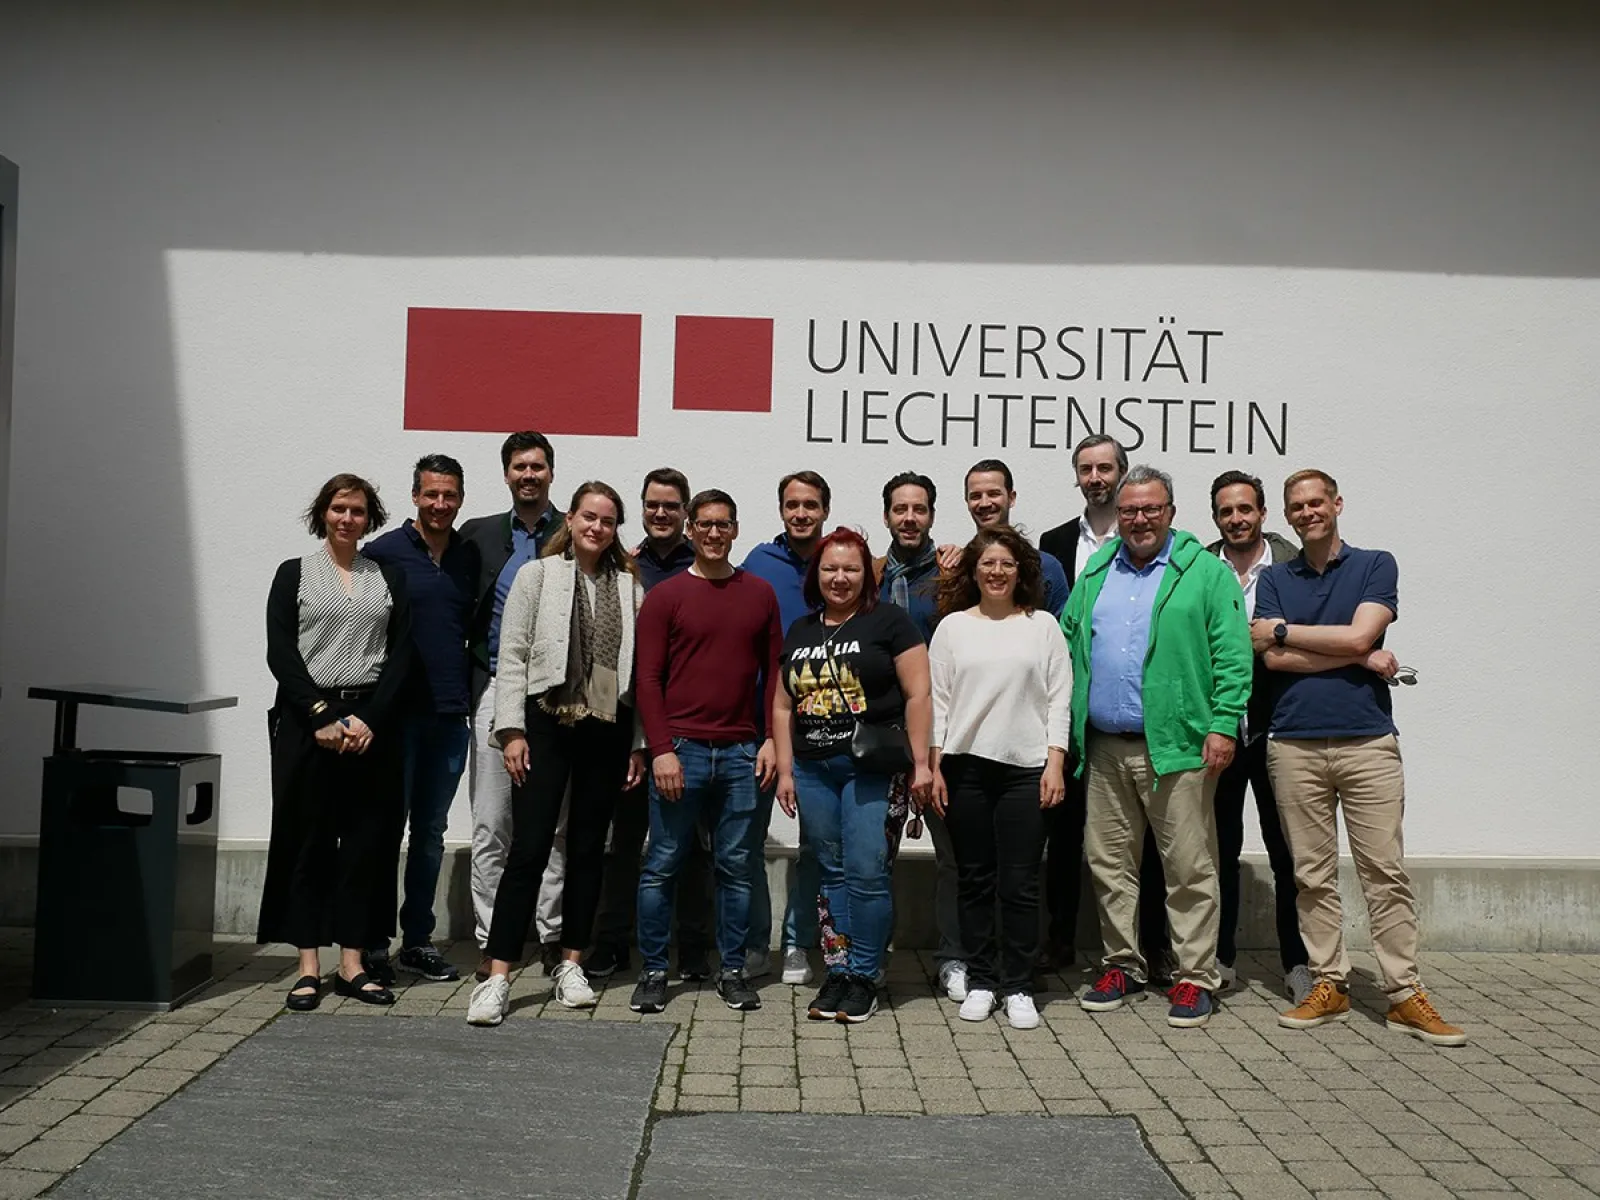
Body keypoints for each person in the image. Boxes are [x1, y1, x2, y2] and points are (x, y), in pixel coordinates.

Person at [1254, 470, 1466, 1046]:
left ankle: (1403, 993)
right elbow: (1272, 660)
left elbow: (1351, 636)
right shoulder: (1274, 576)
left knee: (1384, 872)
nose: (1306, 513)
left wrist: (1291, 634)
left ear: (1336, 504)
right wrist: (1357, 654)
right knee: (1311, 875)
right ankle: (1329, 982)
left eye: (1315, 502)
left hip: (1366, 740)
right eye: (1296, 507)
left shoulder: (1376, 564)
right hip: (1293, 741)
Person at [1064, 465, 1251, 1029]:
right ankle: (1122, 963)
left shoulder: (1204, 574)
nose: (1139, 519)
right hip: (1103, 747)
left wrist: (1222, 725)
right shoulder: (1098, 569)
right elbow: (1071, 643)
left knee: (1189, 867)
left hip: (1178, 746)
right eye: (1129, 511)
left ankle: (1196, 977)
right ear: (1116, 516)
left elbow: (1233, 656)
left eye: (1151, 509)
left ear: (1171, 512)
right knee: (1109, 862)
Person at [465, 482, 648, 1025]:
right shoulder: (537, 577)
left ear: (616, 529)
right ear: (570, 519)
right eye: (588, 516)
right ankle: (498, 975)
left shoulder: (630, 588)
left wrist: (638, 745)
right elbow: (513, 655)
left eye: (608, 520)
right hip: (546, 722)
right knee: (529, 848)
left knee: (590, 849)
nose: (596, 527)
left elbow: (638, 677)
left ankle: (571, 962)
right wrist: (511, 730)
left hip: (607, 727)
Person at [260, 473, 411, 1010]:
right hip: (309, 721)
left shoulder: (387, 576)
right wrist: (320, 714)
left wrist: (370, 717)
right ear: (322, 513)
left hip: (371, 723)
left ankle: (352, 962)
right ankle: (307, 966)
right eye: (339, 508)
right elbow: (282, 653)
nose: (348, 518)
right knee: (310, 842)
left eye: (359, 510)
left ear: (371, 518)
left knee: (368, 844)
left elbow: (402, 656)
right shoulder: (294, 574)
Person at [630, 489, 782, 1015]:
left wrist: (768, 739)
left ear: (735, 530)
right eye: (705, 525)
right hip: (682, 752)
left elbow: (775, 677)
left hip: (742, 753)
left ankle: (734, 969)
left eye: (724, 525)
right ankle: (653, 971)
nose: (714, 534)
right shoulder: (666, 597)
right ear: (690, 530)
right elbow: (647, 679)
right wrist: (661, 750)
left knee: (737, 866)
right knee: (663, 864)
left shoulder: (759, 593)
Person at [774, 527, 932, 1024]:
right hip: (813, 767)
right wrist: (784, 768)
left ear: (867, 575)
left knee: (867, 872)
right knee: (831, 871)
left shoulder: (891, 622)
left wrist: (922, 763)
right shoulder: (801, 629)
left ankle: (866, 974)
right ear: (815, 575)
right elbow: (782, 705)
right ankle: (838, 970)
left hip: (872, 768)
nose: (839, 578)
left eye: (851, 569)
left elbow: (919, 695)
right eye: (830, 569)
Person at [929, 526, 1071, 1030]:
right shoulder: (951, 629)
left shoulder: (1043, 627)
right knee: (974, 879)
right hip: (964, 767)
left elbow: (1060, 699)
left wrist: (1055, 761)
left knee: (1020, 882)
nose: (996, 572)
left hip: (1026, 769)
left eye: (1006, 564)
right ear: (973, 570)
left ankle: (1017, 985)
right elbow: (938, 704)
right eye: (987, 563)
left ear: (1021, 572)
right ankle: (983, 980)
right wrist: (935, 765)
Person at [1037, 434, 1169, 976]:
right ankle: (1061, 942)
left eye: (1105, 468)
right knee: (1068, 837)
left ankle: (1156, 950)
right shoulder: (1054, 541)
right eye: (1086, 469)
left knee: (1155, 848)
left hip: (1144, 721)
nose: (1096, 477)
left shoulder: (1152, 540)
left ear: (1122, 474)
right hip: (1078, 714)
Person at [586, 468, 715, 981]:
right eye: (652, 505)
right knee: (624, 844)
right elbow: (600, 648)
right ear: (642, 510)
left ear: (686, 513)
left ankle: (694, 950)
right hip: (624, 729)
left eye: (671, 505)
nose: (661, 513)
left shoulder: (706, 568)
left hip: (684, 733)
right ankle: (613, 943)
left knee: (690, 849)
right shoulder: (622, 568)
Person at [360, 454, 478, 984]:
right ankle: (372, 943)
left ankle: (417, 941)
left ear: (460, 498)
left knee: (429, 833)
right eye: (431, 494)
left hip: (450, 716)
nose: (440, 504)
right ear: (415, 496)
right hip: (397, 717)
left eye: (449, 495)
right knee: (385, 831)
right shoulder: (383, 553)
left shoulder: (467, 556)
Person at [460, 432, 567, 980]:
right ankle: (489, 938)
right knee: (492, 822)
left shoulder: (574, 531)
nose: (529, 475)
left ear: (552, 473)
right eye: (520, 467)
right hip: (495, 689)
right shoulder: (478, 535)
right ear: (507, 474)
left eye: (538, 466)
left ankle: (551, 936)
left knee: (551, 827)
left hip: (554, 698)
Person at [1205, 470, 1311, 1004]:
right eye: (1226, 512)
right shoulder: (1201, 566)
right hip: (1220, 731)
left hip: (1280, 729)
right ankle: (1220, 958)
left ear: (1263, 514)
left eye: (1245, 509)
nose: (1236, 519)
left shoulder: (1294, 565)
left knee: (1287, 850)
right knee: (1217, 849)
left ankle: (1297, 963)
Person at [873, 471, 968, 1002]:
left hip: (943, 737)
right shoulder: (870, 574)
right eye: (900, 509)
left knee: (952, 856)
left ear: (932, 515)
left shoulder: (953, 575)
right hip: (882, 735)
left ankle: (953, 956)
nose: (910, 518)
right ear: (887, 514)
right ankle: (872, 954)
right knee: (874, 854)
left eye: (920, 509)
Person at [739, 471, 829, 985]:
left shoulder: (839, 562)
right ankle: (756, 945)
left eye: (811, 505)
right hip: (761, 728)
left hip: (823, 729)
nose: (801, 513)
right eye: (793, 504)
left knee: (816, 844)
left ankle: (797, 943)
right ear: (780, 510)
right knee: (747, 843)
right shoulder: (758, 563)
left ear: (824, 510)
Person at [942, 459, 1069, 618]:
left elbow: (1062, 632)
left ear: (1011, 498)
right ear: (967, 502)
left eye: (993, 494)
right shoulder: (958, 566)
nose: (984, 503)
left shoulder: (1047, 567)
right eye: (975, 496)